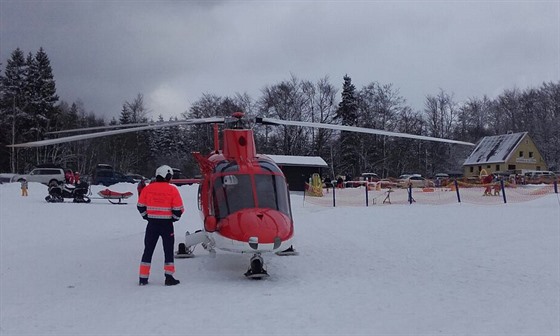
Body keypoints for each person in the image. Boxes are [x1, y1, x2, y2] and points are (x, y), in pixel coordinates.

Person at [137, 165, 184, 286]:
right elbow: (178, 209)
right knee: (168, 251)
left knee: (148, 250)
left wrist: (147, 216)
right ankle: (169, 277)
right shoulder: (172, 190)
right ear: (167, 176)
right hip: (167, 225)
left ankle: (143, 278)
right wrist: (173, 219)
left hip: (151, 224)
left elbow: (140, 206)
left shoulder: (147, 189)